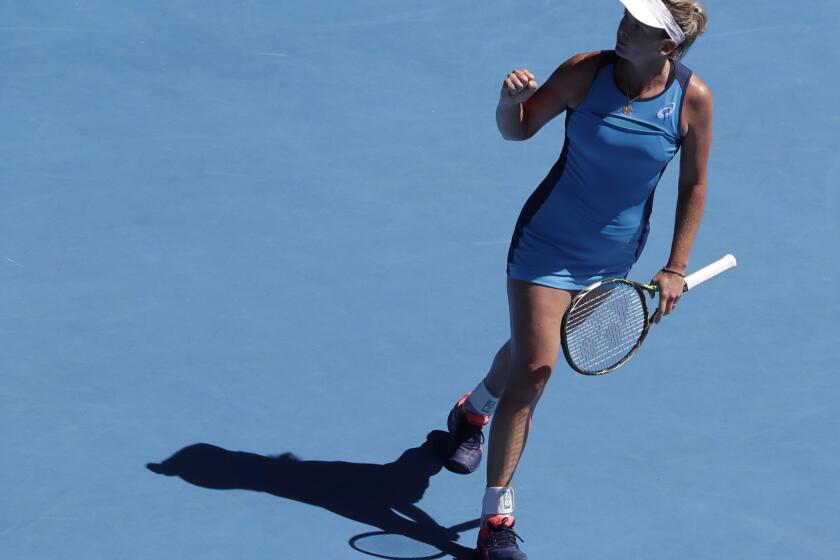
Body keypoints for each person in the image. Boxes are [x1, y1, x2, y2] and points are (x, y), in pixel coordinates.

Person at [443, 1, 712, 558]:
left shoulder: (692, 101)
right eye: (628, 16)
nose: (625, 25)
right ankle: (496, 522)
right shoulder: (584, 73)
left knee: (528, 350)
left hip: (614, 258)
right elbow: (516, 132)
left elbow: (694, 185)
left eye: (641, 26)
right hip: (546, 244)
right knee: (538, 368)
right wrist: (507, 102)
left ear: (667, 47)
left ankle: (473, 412)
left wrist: (675, 266)